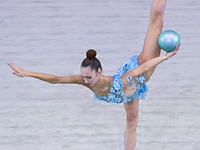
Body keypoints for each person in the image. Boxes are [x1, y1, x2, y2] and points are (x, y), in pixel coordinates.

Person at [8, 0, 181, 149]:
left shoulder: (121, 81)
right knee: (131, 122)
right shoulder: (86, 81)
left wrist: (166, 56)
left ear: (99, 72)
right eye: (83, 77)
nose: (85, 81)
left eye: (88, 77)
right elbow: (57, 79)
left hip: (142, 65)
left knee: (157, 20)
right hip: (129, 93)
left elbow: (143, 69)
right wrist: (27, 73)